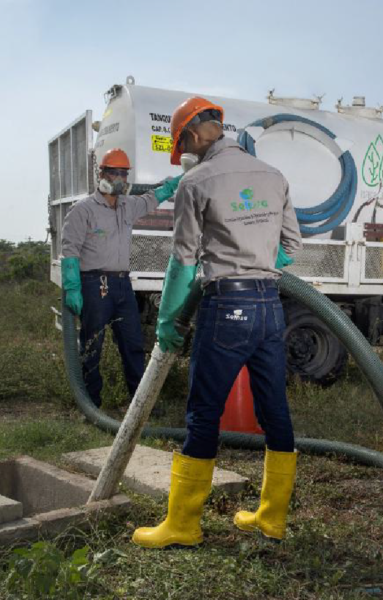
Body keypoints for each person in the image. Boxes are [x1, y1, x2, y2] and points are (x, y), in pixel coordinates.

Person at [132, 97, 302, 549]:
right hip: (270, 306)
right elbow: (291, 246)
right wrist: (258, 263)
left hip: (226, 306)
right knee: (275, 413)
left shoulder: (196, 180)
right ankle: (271, 519)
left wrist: (168, 319)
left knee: (203, 413)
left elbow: (183, 261)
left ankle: (184, 525)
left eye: (181, 142)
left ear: (188, 136)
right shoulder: (274, 175)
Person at [61, 148, 181, 408]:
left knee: (133, 344)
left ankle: (141, 406)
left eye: (123, 174)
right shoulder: (83, 209)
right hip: (95, 285)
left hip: (122, 285)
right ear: (100, 173)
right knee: (92, 346)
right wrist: (72, 287)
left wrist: (173, 184)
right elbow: (69, 251)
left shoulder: (129, 205)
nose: (119, 178)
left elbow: (153, 197)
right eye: (113, 172)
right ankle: (91, 405)